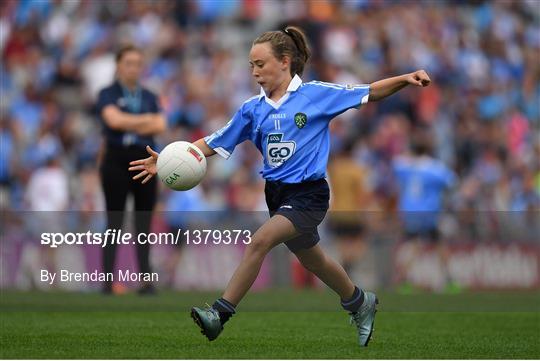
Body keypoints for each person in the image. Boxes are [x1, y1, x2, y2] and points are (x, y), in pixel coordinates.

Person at [129, 26, 430, 346]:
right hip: (276, 194)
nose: (255, 71)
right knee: (313, 260)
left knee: (260, 240)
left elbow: (369, 91)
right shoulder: (252, 109)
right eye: (251, 65)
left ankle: (220, 313)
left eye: (261, 64)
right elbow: (214, 142)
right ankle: (359, 302)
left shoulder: (315, 94)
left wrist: (405, 78)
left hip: (310, 194)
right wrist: (164, 161)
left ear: (284, 62)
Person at [96, 45, 166, 295]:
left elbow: (159, 124)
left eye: (138, 63)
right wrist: (143, 122)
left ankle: (145, 280)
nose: (134, 68)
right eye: (128, 63)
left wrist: (127, 121)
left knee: (143, 222)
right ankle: (107, 281)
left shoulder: (149, 95)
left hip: (145, 159)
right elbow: (112, 120)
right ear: (118, 65)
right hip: (116, 160)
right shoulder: (107, 92)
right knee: (114, 220)